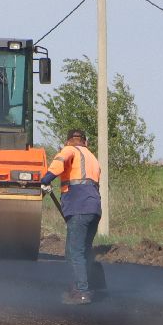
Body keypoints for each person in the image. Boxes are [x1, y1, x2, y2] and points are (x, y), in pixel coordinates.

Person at [38, 128, 102, 304]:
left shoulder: (68, 150)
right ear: (85, 142)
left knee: (75, 252)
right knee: (83, 249)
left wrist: (44, 180)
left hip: (79, 208)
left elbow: (58, 165)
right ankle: (81, 285)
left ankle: (82, 291)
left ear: (67, 141)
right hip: (94, 209)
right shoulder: (92, 157)